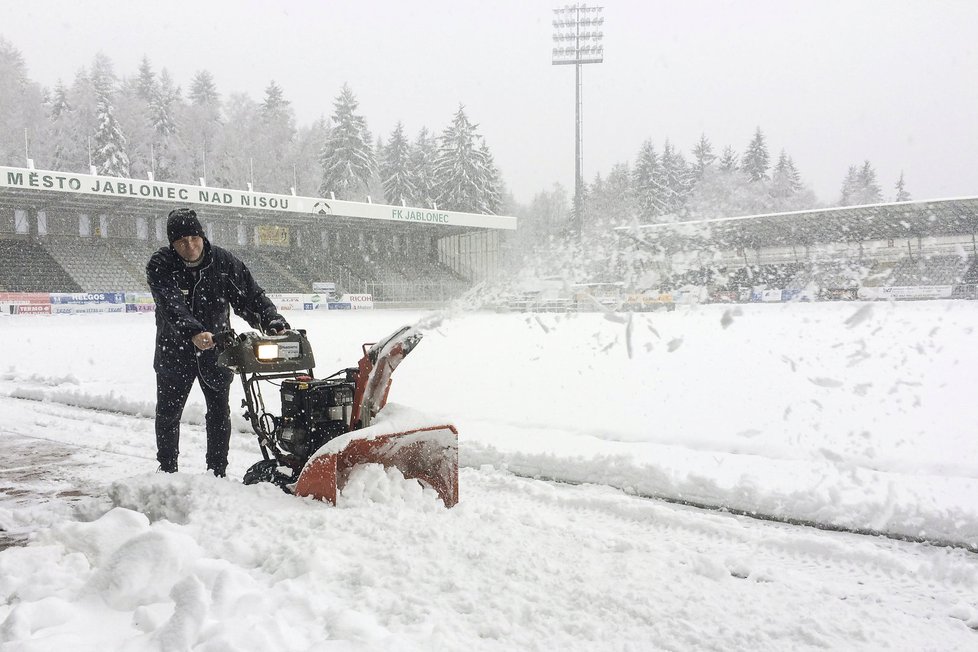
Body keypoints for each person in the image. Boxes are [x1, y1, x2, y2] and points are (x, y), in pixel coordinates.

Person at [146, 207, 289, 476]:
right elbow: (171, 304)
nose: (190, 246)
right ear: (172, 244)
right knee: (168, 414)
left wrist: (272, 321)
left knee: (219, 413)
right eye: (181, 241)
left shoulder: (222, 262)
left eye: (194, 238)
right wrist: (195, 332)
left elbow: (250, 296)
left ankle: (217, 471)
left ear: (203, 236)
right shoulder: (161, 264)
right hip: (174, 351)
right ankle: (166, 470)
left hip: (217, 352)